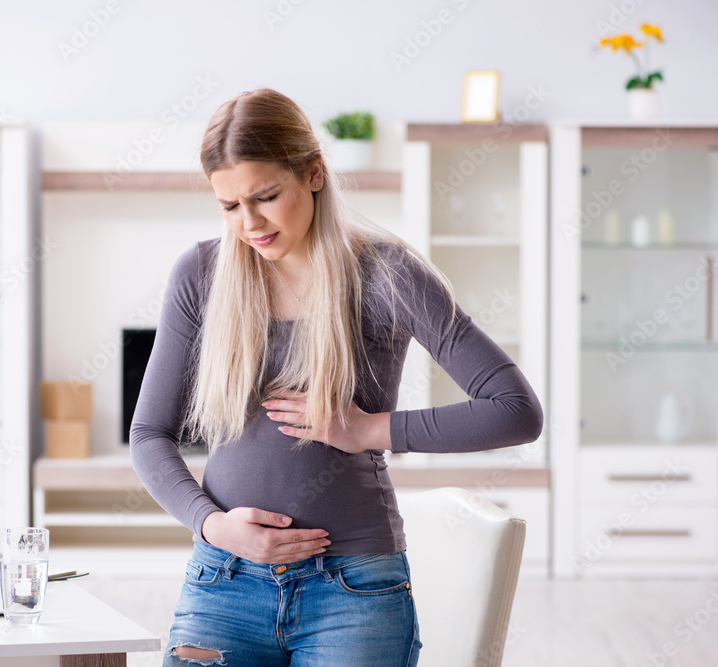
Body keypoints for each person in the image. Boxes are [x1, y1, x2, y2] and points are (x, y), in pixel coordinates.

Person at [129, 88, 543, 666]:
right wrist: (213, 525)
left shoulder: (388, 274)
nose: (249, 223)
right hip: (224, 580)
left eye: (266, 196)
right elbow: (149, 434)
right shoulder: (201, 273)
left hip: (354, 589)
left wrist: (369, 429)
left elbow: (515, 409)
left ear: (315, 174)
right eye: (228, 206)